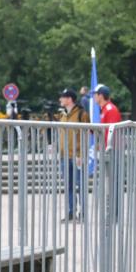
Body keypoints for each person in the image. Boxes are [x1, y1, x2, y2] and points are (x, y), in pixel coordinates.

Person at [58, 88, 89, 221]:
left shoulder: (82, 114)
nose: (60, 99)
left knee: (80, 184)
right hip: (65, 156)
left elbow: (86, 135)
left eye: (63, 97)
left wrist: (81, 154)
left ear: (69, 99)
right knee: (69, 185)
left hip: (77, 156)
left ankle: (83, 212)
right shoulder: (63, 115)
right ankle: (71, 212)